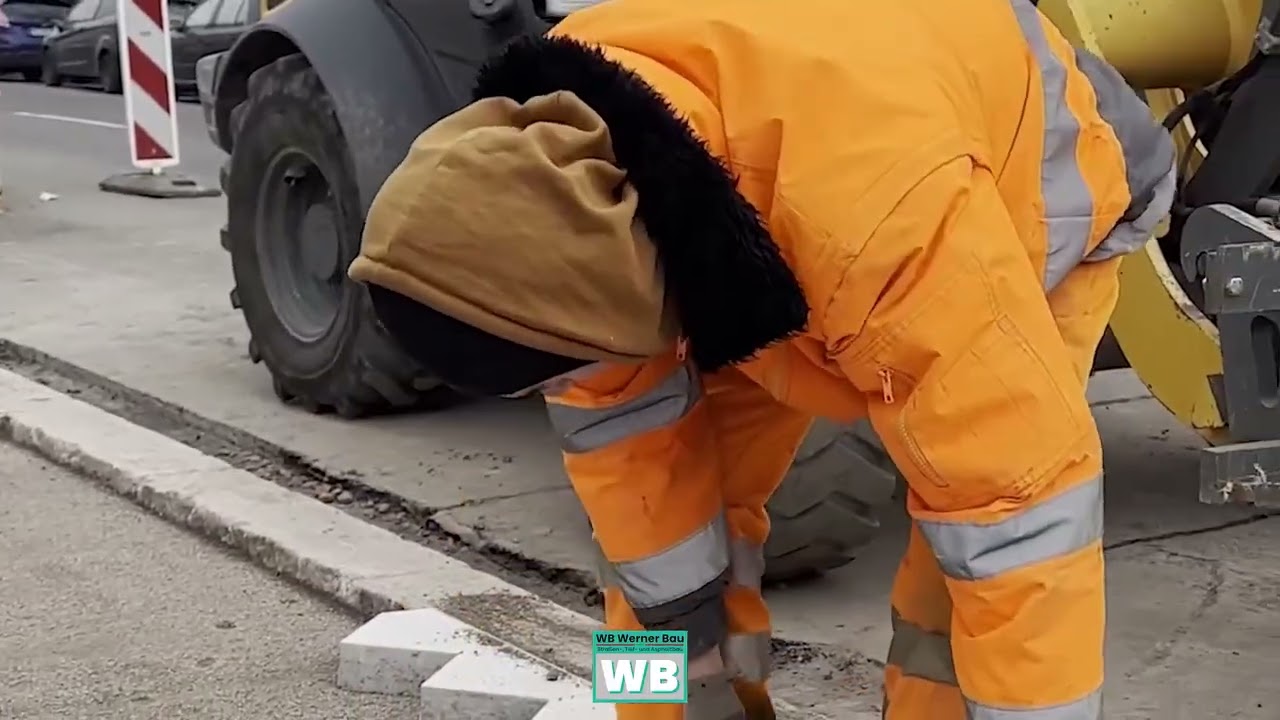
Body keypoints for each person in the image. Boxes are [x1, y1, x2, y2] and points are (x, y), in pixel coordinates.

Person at [348, 0, 1176, 717]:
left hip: (1038, 193)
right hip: (778, 181)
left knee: (971, 563)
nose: (568, 393)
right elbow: (644, 519)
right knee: (650, 562)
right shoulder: (562, 196)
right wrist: (681, 691)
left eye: (557, 376)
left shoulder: (879, 227)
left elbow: (1015, 519)